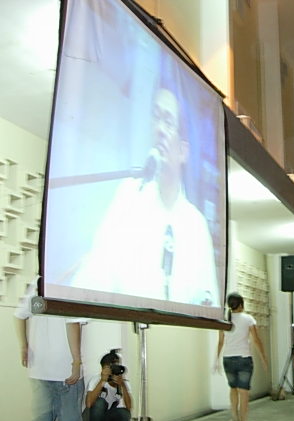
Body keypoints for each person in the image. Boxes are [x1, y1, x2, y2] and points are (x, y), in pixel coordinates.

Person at [72, 81, 220, 307]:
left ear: (183, 151)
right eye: (156, 117)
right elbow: (95, 272)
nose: (159, 129)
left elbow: (208, 304)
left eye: (168, 122)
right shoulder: (129, 197)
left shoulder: (196, 225)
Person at [14, 277, 85, 421]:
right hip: (64, 370)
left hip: (39, 369)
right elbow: (72, 323)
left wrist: (24, 345)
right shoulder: (69, 283)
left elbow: (19, 315)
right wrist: (77, 361)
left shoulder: (37, 283)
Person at [216, 293, 268, 421]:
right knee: (243, 392)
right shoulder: (248, 319)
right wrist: (263, 358)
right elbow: (256, 340)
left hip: (227, 359)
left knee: (233, 388)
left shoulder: (224, 319)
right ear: (241, 304)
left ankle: (234, 415)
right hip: (244, 358)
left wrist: (216, 359)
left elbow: (220, 341)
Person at [84, 349, 133, 421]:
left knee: (124, 413)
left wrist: (122, 385)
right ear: (103, 368)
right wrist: (103, 380)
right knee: (100, 402)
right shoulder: (96, 380)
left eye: (117, 365)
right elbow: (88, 404)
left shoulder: (123, 383)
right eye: (111, 367)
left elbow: (129, 408)